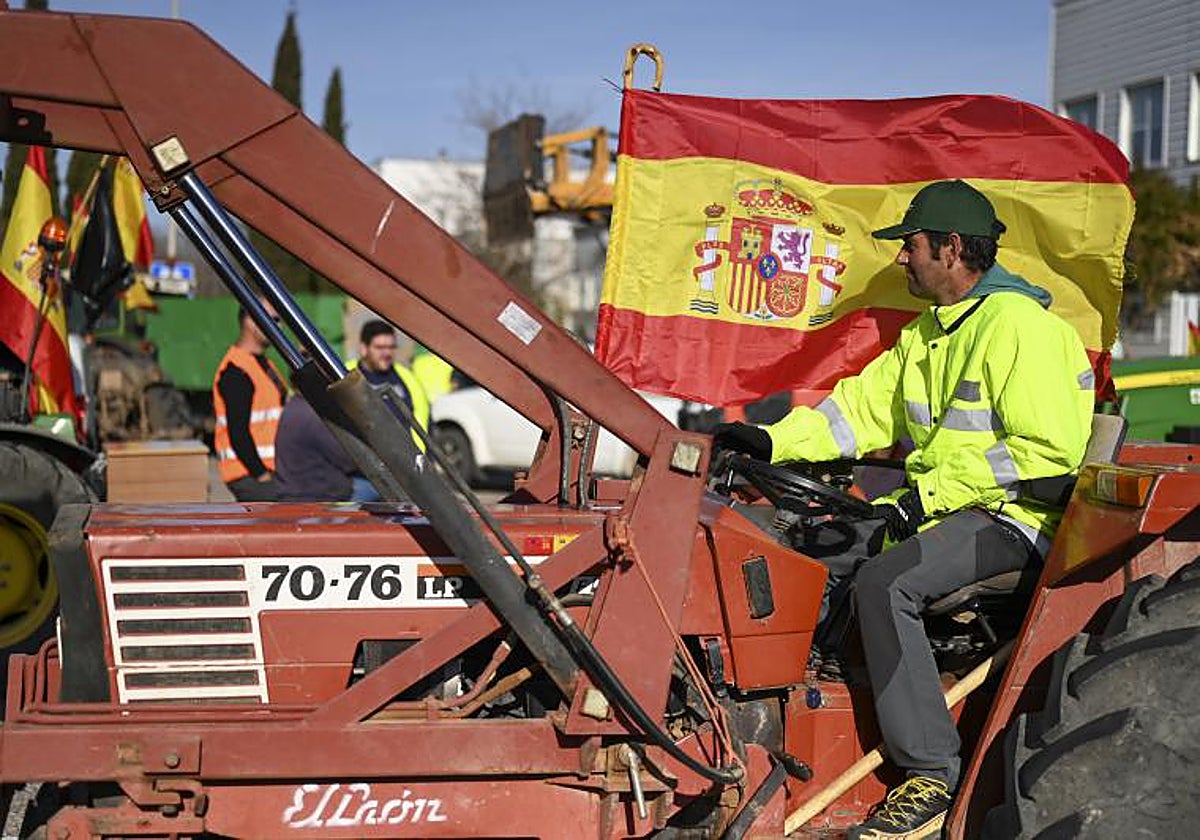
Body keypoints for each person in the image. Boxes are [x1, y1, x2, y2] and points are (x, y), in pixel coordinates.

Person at [713, 180, 1094, 840]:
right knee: (806, 549)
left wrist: (923, 499)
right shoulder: (926, 337)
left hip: (1017, 522)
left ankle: (931, 775)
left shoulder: (1024, 330)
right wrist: (769, 439)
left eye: (910, 246)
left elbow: (1048, 452)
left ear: (950, 249)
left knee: (887, 582)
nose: (900, 259)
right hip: (943, 511)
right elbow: (853, 416)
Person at [212, 302, 287, 501]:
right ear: (250, 321)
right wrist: (261, 475)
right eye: (274, 320)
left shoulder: (265, 364)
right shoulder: (236, 370)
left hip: (270, 471)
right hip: (251, 475)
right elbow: (238, 432)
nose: (279, 327)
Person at [274, 393, 358, 502]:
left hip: (295, 490)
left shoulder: (293, 407)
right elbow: (349, 460)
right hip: (321, 495)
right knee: (377, 489)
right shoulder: (315, 415)